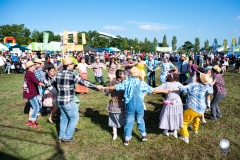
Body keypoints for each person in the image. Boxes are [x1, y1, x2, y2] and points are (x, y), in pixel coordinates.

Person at [104, 67, 167, 146]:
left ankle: (127, 139)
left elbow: (115, 87)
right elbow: (152, 90)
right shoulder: (142, 83)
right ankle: (143, 135)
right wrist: (164, 91)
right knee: (140, 120)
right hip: (140, 104)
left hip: (130, 105)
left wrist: (105, 87)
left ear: (130, 74)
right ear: (138, 75)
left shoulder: (126, 82)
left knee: (129, 121)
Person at [46, 57, 104, 142]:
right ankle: (67, 137)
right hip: (68, 101)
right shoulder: (72, 74)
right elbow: (84, 82)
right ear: (69, 65)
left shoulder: (58, 74)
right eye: (73, 64)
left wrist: (55, 89)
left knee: (63, 118)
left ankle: (61, 136)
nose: (74, 65)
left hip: (60, 101)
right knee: (74, 117)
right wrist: (96, 86)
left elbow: (48, 84)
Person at [170, 69, 212, 143]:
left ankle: (185, 136)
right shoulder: (206, 86)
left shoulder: (193, 85)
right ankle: (195, 130)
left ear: (198, 78)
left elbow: (184, 90)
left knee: (183, 122)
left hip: (192, 107)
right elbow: (210, 90)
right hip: (202, 108)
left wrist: (178, 84)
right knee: (196, 118)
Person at [154, 69, 183, 138]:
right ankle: (175, 131)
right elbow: (184, 89)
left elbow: (155, 89)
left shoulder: (166, 84)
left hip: (169, 104)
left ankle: (166, 130)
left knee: (167, 115)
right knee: (176, 115)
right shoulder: (179, 84)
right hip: (178, 103)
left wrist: (162, 91)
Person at [104, 70, 125, 140]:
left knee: (124, 117)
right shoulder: (112, 82)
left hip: (123, 103)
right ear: (119, 75)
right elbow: (106, 91)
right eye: (123, 74)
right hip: (114, 103)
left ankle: (125, 132)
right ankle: (115, 134)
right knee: (113, 118)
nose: (124, 75)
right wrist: (105, 90)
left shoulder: (125, 82)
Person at [23, 61, 45, 127]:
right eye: (33, 66)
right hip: (31, 92)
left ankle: (29, 121)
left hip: (29, 92)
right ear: (29, 67)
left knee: (33, 107)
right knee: (36, 107)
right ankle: (33, 122)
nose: (34, 67)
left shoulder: (27, 73)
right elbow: (36, 81)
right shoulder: (31, 73)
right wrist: (44, 85)